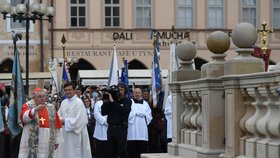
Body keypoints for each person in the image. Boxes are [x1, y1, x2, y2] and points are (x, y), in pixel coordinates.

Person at [18, 87, 63, 158]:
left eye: (43, 96)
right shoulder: (28, 105)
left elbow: (56, 125)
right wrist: (34, 110)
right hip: (31, 141)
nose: (42, 98)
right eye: (39, 97)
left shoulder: (51, 107)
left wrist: (57, 140)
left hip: (47, 140)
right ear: (34, 98)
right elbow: (24, 118)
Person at [56, 82, 92, 158]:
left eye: (69, 90)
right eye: (66, 90)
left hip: (75, 134)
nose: (67, 92)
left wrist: (65, 121)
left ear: (74, 90)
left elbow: (81, 120)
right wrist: (59, 119)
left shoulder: (79, 103)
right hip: (65, 133)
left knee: (75, 153)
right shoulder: (64, 102)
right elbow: (58, 115)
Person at [101, 83, 132, 158]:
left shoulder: (127, 101)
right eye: (118, 89)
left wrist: (113, 102)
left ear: (125, 91)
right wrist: (106, 101)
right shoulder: (111, 101)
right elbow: (103, 112)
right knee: (111, 151)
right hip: (111, 129)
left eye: (121, 90)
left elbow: (124, 111)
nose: (119, 91)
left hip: (121, 129)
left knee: (121, 151)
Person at [127, 88, 152, 158]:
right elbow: (126, 114)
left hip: (142, 130)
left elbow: (149, 116)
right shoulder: (129, 102)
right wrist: (135, 113)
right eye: (136, 92)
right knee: (132, 151)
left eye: (139, 92)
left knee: (142, 150)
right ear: (133, 94)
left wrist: (143, 114)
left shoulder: (145, 104)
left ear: (141, 93)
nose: (137, 94)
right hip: (132, 130)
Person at [93, 92, 109, 158]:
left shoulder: (113, 103)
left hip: (110, 132)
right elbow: (96, 114)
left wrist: (109, 121)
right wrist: (105, 121)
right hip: (99, 133)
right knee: (100, 152)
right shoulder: (98, 103)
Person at [0, 89, 11, 158]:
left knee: (6, 150)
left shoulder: (11, 109)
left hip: (9, 133)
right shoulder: (1, 110)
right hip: (1, 132)